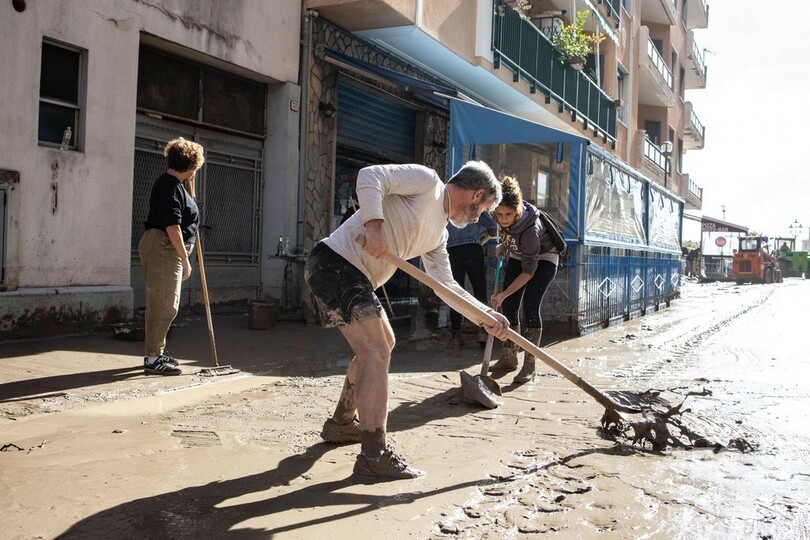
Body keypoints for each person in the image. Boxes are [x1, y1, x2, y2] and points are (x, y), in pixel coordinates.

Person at [304, 161, 510, 480]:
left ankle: (341, 423)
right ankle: (374, 456)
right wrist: (374, 227)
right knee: (376, 351)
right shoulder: (427, 183)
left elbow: (446, 286)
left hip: (355, 277)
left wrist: (484, 316)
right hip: (335, 264)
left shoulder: (438, 236)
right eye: (482, 209)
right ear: (477, 194)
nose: (476, 218)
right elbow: (370, 176)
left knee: (383, 343)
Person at [138, 137, 205, 376]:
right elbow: (172, 226)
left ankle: (156, 351)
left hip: (166, 247)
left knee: (164, 304)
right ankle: (153, 359)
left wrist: (189, 184)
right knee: (165, 305)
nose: (195, 171)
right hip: (164, 247)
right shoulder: (168, 186)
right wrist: (185, 259)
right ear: (189, 164)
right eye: (195, 167)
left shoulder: (177, 185)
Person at [488, 176, 561, 384]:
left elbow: (528, 272)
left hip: (544, 258)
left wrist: (502, 294)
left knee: (530, 306)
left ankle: (530, 364)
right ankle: (509, 357)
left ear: (517, 211)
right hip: (520, 254)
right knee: (509, 306)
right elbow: (509, 234)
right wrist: (504, 245)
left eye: (508, 214)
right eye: (499, 214)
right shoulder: (500, 218)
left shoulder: (530, 230)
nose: (503, 219)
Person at [446, 212, 497, 348]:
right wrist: (481, 239)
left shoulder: (448, 205)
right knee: (480, 292)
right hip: (473, 249)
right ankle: (483, 332)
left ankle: (456, 334)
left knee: (455, 294)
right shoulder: (476, 205)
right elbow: (493, 228)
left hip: (452, 252)